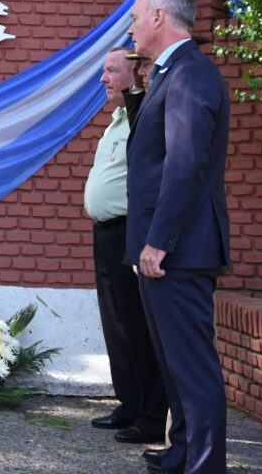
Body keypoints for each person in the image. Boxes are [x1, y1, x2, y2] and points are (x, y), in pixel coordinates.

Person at [125, 0, 231, 474]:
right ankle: (185, 452)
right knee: (173, 362)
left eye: (134, 17)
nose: (130, 26)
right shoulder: (172, 73)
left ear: (160, 18)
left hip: (180, 248)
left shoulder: (190, 73)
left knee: (191, 365)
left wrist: (158, 242)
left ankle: (204, 465)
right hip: (170, 247)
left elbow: (184, 165)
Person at [84, 47, 168, 446]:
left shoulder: (139, 116)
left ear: (132, 75)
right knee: (116, 326)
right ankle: (130, 404)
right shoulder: (115, 121)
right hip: (105, 232)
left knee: (136, 325)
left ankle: (152, 417)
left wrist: (136, 88)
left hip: (128, 230)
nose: (103, 79)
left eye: (111, 71)